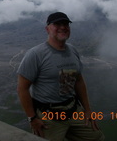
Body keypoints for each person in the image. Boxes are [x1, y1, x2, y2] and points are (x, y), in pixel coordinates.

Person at [17, 12, 104, 141]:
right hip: (49, 117)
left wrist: (87, 110)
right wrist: (32, 118)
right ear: (47, 29)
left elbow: (78, 81)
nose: (63, 27)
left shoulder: (72, 51)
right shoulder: (36, 54)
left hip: (74, 111)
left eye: (66, 24)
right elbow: (22, 89)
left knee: (97, 138)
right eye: (57, 24)